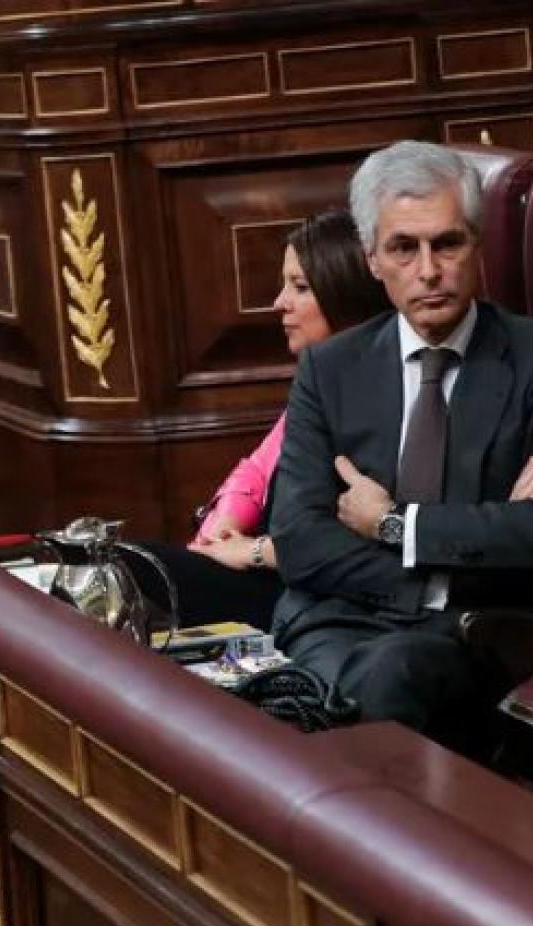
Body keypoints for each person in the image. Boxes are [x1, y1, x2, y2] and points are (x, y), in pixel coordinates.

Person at [268, 140, 533, 754]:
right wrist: (465, 551)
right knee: (298, 692)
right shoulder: (330, 368)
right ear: (371, 259)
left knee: (380, 681)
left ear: (477, 246)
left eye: (447, 244)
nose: (428, 271)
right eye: (403, 248)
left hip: (466, 633)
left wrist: (392, 524)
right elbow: (299, 539)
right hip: (336, 619)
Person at [128, 211, 393, 630]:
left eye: (300, 287)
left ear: (344, 297)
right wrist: (222, 529)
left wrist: (253, 551)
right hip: (265, 574)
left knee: (128, 569)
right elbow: (256, 469)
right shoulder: (320, 380)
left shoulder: (382, 396)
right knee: (111, 567)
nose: (279, 302)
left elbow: (352, 544)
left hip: (309, 596)